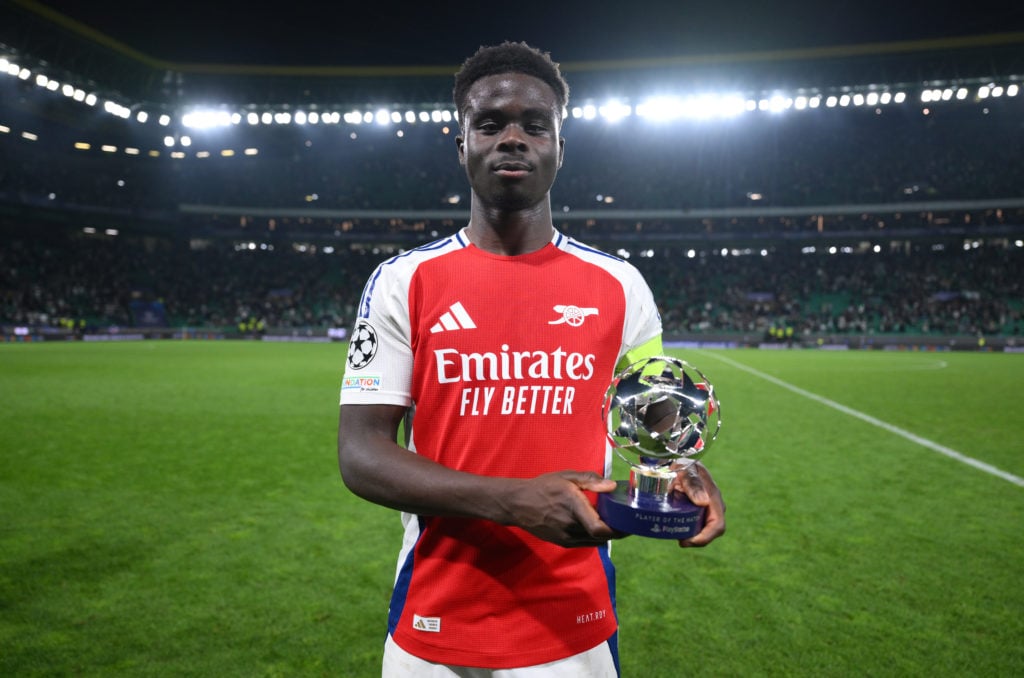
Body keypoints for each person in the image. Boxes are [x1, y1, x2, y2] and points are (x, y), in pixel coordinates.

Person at [337, 41, 726, 677]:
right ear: (461, 145)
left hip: (574, 622)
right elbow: (360, 454)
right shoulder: (402, 282)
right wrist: (511, 500)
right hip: (436, 621)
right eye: (490, 124)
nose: (513, 138)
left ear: (559, 148)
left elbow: (655, 423)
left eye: (534, 125)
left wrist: (682, 475)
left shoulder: (621, 285)